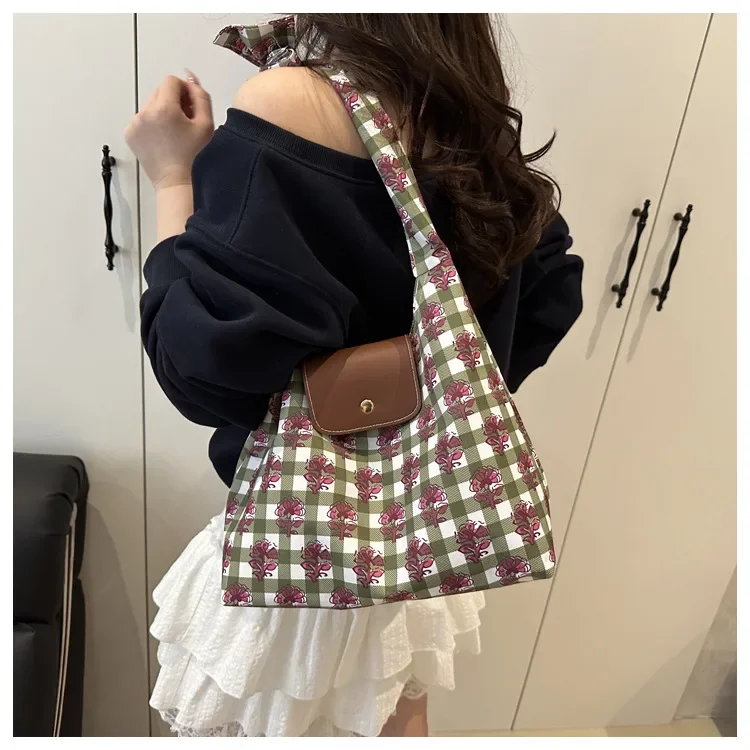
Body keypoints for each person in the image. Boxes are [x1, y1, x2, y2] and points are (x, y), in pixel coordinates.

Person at [126, 13, 583, 738]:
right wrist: (423, 410)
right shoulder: (464, 104)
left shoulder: (293, 101)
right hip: (417, 552)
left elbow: (201, 370)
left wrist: (171, 175)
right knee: (396, 720)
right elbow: (549, 295)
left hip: (300, 569)